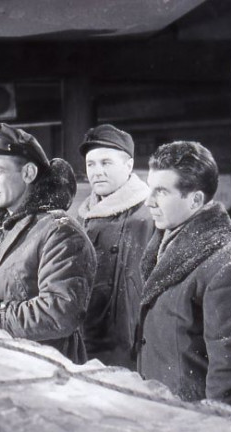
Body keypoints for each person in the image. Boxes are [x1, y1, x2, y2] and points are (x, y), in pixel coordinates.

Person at [0, 123, 96, 363]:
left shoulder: (60, 232)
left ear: (28, 173)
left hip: (48, 371)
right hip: (10, 363)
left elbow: (59, 313)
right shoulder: (3, 229)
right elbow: (7, 292)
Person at [135, 141, 231, 406]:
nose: (148, 201)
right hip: (161, 407)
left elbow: (228, 373)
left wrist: (212, 424)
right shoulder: (164, 243)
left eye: (161, 192)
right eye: (149, 189)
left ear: (195, 200)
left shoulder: (224, 263)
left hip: (190, 416)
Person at [76, 124, 154, 370]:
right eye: (91, 164)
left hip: (133, 349)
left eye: (106, 163)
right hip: (89, 342)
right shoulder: (82, 218)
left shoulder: (149, 215)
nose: (97, 172)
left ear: (128, 166)